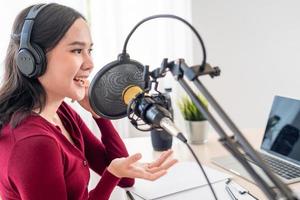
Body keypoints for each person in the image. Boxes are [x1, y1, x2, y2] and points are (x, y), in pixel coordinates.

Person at [0, 3, 177, 200]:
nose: (90, 64)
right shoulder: (33, 143)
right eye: (77, 50)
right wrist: (113, 174)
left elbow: (125, 179)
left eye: (89, 50)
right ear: (33, 59)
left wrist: (98, 114)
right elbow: (116, 174)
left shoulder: (61, 113)